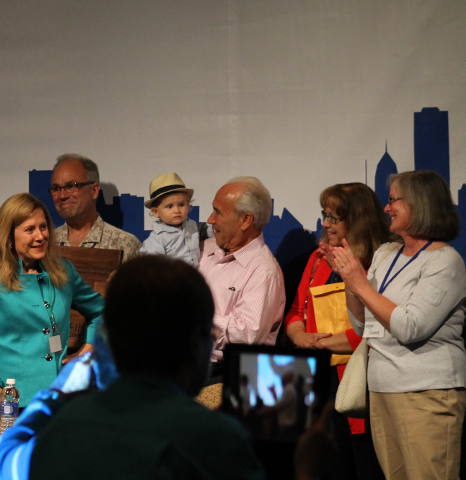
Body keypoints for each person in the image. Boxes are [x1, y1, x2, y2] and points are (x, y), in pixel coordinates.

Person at [0, 255, 263, 479]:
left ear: (104, 342)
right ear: (197, 346)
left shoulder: (61, 431)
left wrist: (55, 396)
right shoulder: (216, 440)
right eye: (211, 335)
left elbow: (3, 459)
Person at [328, 170, 465, 479]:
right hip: (381, 388)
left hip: (425, 392)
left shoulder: (445, 261)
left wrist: (360, 284)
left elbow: (410, 326)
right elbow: (364, 327)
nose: (386, 208)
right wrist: (350, 282)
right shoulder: (386, 253)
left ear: (420, 204)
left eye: (392, 201)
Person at [0, 193, 104, 406]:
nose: (40, 236)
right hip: (12, 404)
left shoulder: (63, 271)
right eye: (29, 230)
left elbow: (103, 310)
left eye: (43, 227)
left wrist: (90, 345)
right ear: (8, 235)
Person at [285, 182, 387, 479]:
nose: (326, 224)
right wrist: (300, 336)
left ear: (357, 220)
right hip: (311, 377)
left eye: (335, 218)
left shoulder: (377, 264)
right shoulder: (317, 259)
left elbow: (371, 331)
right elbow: (294, 313)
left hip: (354, 379)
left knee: (358, 463)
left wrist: (319, 344)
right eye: (324, 215)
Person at [198, 176, 285, 369]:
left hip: (222, 372)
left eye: (217, 212)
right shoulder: (201, 250)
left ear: (245, 220)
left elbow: (248, 336)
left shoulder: (263, 271)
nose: (210, 219)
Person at [49, 154, 141, 262]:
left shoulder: (125, 245)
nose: (62, 195)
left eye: (71, 186)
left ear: (94, 191)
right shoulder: (46, 243)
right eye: (56, 188)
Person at [140, 172, 201, 267]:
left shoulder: (192, 225)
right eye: (169, 206)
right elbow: (152, 266)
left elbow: (209, 229)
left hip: (194, 276)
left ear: (188, 206)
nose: (177, 210)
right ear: (156, 212)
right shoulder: (157, 239)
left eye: (181, 204)